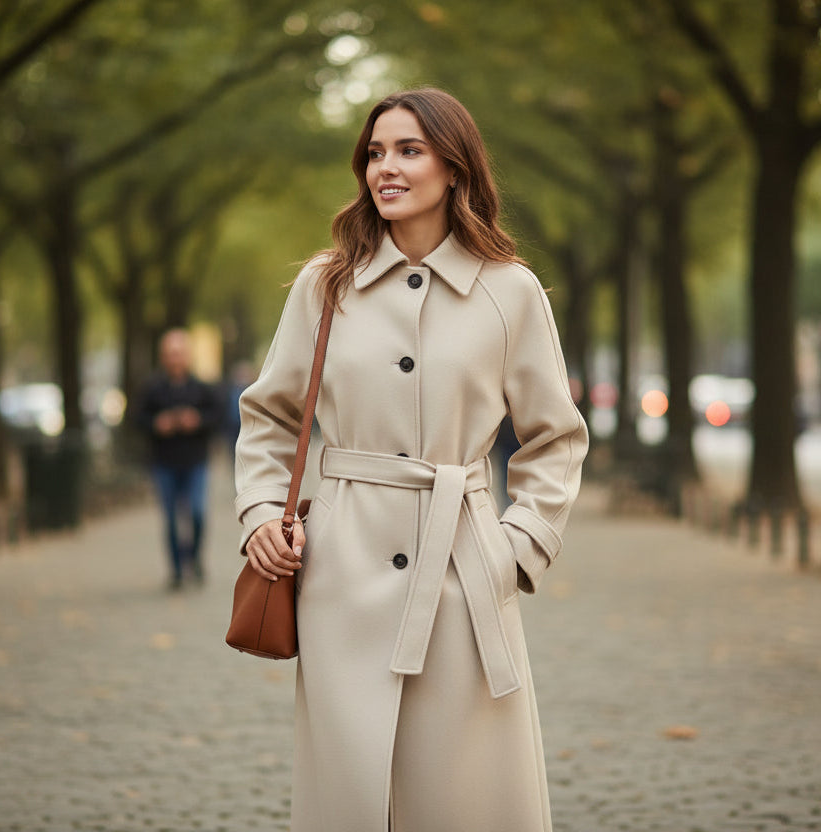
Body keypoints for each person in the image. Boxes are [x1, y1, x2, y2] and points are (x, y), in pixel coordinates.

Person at [235, 88, 589, 832]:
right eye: (374, 153)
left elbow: (555, 438)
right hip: (342, 571)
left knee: (462, 791)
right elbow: (270, 415)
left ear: (454, 168)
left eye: (408, 150)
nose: (384, 168)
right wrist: (262, 513)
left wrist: (514, 548)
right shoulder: (326, 285)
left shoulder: (510, 292)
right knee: (351, 788)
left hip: (462, 564)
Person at [137, 328, 219, 590]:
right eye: (170, 354)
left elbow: (217, 418)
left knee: (196, 512)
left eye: (179, 353)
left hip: (196, 461)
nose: (175, 359)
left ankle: (193, 558)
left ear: (188, 356)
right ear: (163, 357)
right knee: (171, 518)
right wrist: (156, 424)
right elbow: (136, 419)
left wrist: (197, 421)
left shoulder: (202, 388)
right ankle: (175, 570)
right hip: (164, 463)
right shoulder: (152, 388)